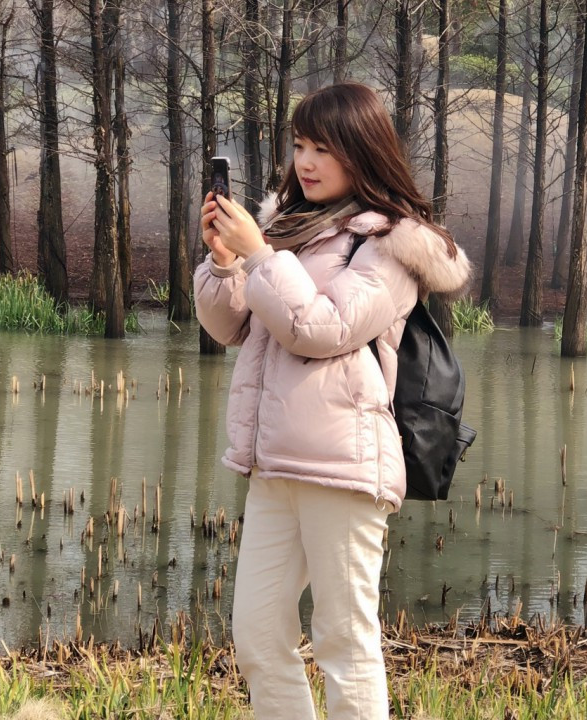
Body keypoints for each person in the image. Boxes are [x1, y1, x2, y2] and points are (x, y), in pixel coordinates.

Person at [193, 82, 471, 720]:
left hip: (344, 467)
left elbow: (321, 330)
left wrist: (261, 255)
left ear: (362, 151)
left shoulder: (392, 245)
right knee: (258, 635)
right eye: (299, 146)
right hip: (275, 464)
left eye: (323, 148)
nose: (306, 162)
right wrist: (227, 263)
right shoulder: (288, 229)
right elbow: (229, 328)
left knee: (344, 641)